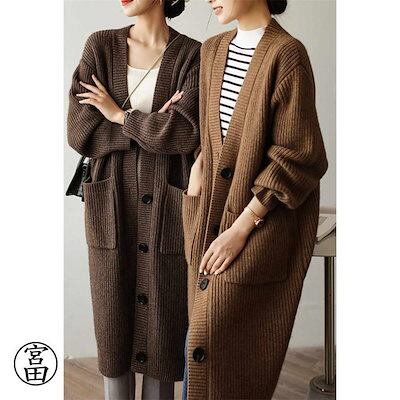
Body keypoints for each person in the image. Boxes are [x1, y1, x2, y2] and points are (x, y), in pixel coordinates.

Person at [181, 0, 328, 398]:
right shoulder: (212, 50)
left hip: (256, 225)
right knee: (200, 345)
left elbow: (299, 155)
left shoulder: (286, 54)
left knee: (228, 354)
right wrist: (197, 175)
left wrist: (241, 229)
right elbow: (213, 137)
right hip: (208, 218)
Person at [67, 0, 201, 399]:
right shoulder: (100, 47)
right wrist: (152, 126)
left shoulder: (192, 55)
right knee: (113, 328)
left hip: (167, 209)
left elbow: (186, 134)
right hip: (111, 206)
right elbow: (80, 131)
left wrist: (119, 115)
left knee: (163, 330)